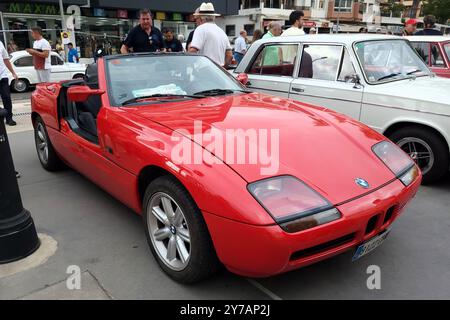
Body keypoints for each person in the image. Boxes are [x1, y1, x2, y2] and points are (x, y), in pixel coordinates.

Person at [188, 2, 232, 67]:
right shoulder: (221, 31)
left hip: (204, 71)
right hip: (219, 72)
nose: (196, 21)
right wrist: (223, 69)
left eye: (196, 19)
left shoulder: (200, 29)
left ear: (201, 18)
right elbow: (229, 55)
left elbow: (192, 51)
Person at [0, 41, 18, 126]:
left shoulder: (0, 43)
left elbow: (6, 59)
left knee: (7, 98)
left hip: (3, 76)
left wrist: (13, 72)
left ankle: (9, 118)